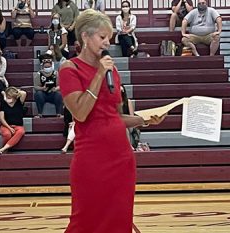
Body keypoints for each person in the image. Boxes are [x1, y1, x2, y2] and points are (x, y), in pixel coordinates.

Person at [59, 9, 165, 232]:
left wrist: (143, 121)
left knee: (119, 219)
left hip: (121, 157)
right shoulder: (70, 69)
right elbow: (80, 112)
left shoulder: (113, 71)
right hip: (91, 158)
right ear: (85, 37)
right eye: (102, 37)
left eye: (109, 37)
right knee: (85, 220)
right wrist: (98, 74)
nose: (107, 42)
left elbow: (114, 116)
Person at [0, 86, 27, 154]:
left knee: (21, 132)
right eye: (7, 97)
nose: (7, 99)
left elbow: (24, 93)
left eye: (9, 98)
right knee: (7, 134)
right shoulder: (4, 102)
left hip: (18, 125)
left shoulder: (19, 101)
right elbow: (1, 118)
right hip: (6, 125)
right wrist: (9, 128)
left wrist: (15, 92)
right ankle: (4, 149)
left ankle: (4, 148)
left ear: (14, 97)